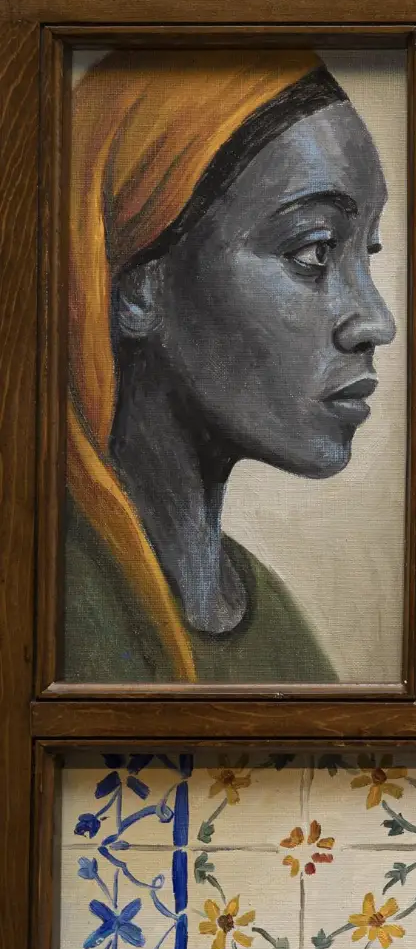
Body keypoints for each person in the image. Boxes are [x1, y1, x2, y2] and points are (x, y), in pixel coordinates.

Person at [65, 51, 395, 682]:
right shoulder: (46, 603)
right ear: (139, 288)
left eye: (367, 253)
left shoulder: (276, 630)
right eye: (315, 250)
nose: (377, 322)